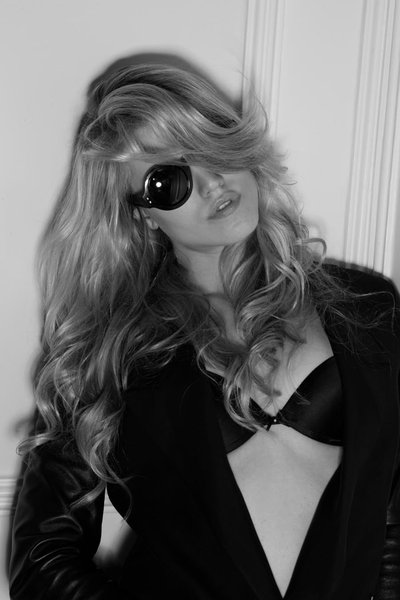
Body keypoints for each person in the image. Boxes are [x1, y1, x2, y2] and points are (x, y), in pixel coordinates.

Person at [9, 63, 400, 600]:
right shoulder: (107, 353)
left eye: (212, 147)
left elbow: (391, 516)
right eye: (168, 181)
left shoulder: (369, 306)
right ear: (141, 215)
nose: (212, 182)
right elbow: (42, 558)